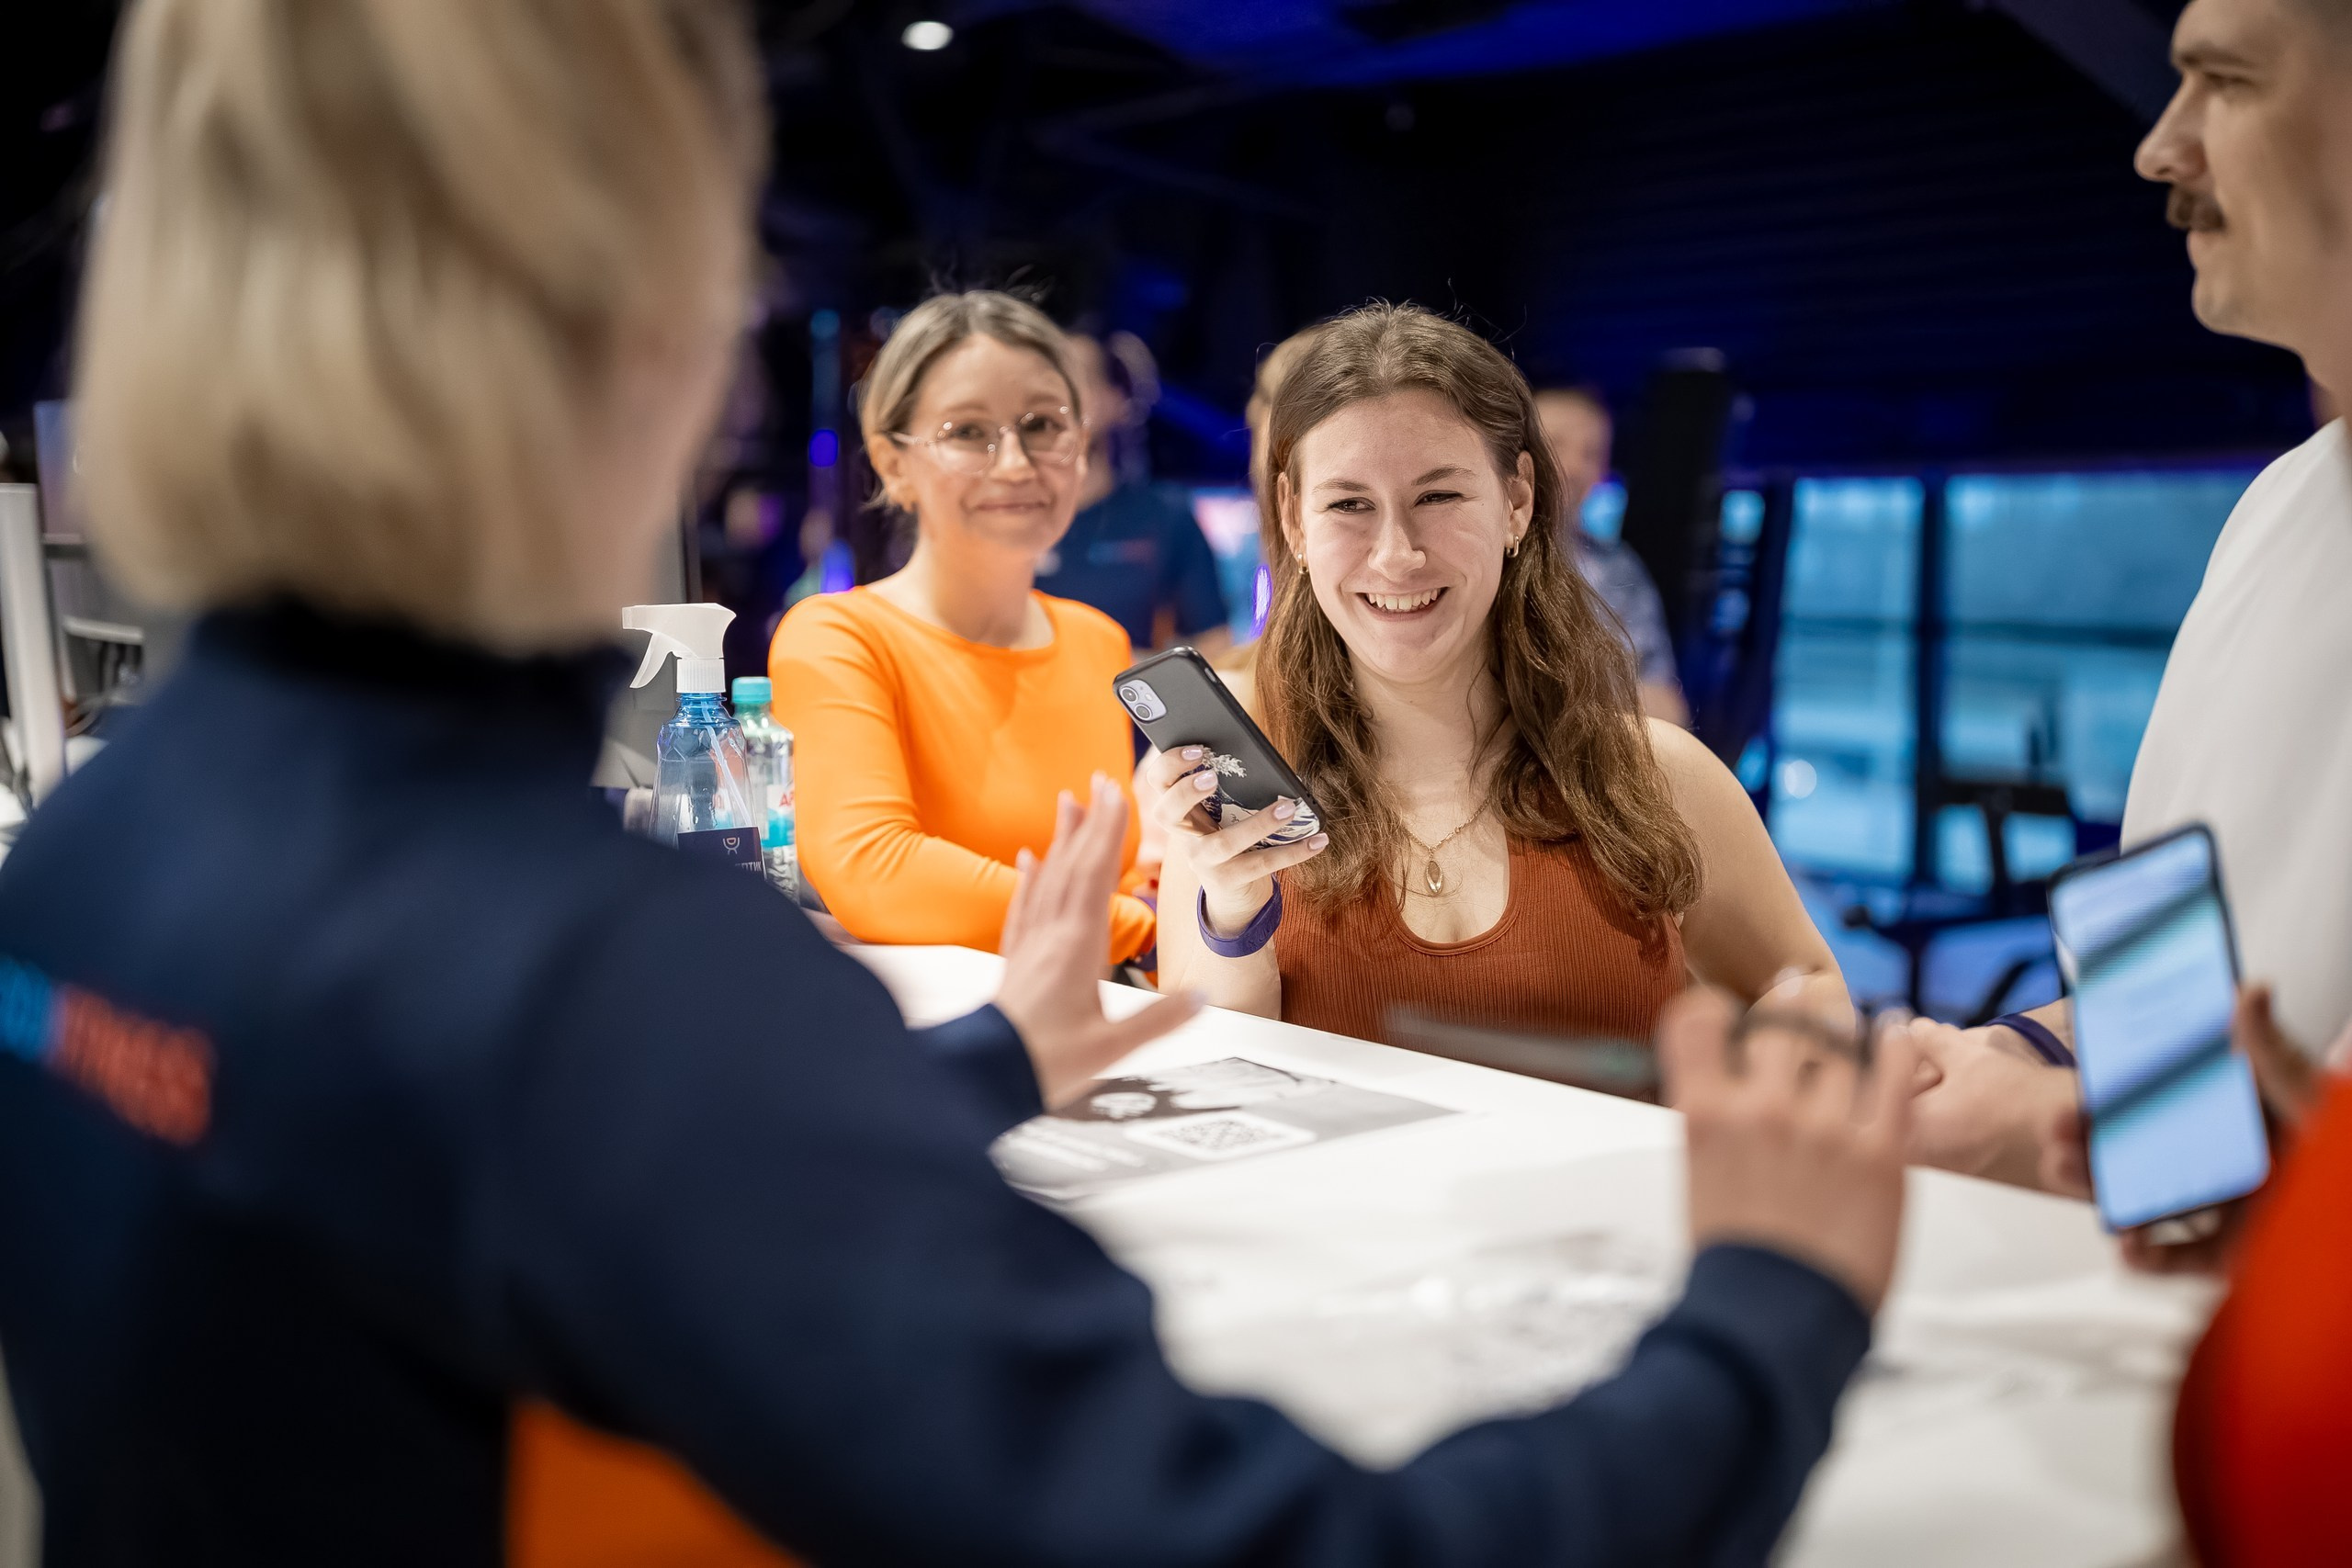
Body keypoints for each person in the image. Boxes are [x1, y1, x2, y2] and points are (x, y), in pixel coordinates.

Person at [0, 8, 1935, 1566]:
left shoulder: (91, 861)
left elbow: (478, 1164)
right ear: (649, 342)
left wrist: (987, 1053)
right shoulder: (606, 983)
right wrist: (1766, 1311)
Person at [1903, 0, 2352, 1195]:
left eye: (2229, 82)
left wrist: (2065, 1124)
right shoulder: (2281, 509)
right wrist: (2011, 1053)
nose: (2161, 144)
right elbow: (2179, 988)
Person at [1147, 304, 1849, 1051]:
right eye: (1350, 504)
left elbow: (1800, 979)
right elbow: (1209, 1066)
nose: (1397, 555)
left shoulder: (1654, 775)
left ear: (1516, 501)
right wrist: (1231, 905)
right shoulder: (1236, 789)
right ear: (1294, 519)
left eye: (1439, 496)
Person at [767, 292, 1155, 963]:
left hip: (1098, 1025)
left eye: (1042, 424)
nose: (1015, 463)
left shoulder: (1098, 640)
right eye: (967, 432)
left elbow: (1114, 870)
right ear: (893, 462)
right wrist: (1145, 932)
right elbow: (877, 872)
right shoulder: (836, 636)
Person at [1031, 333, 1234, 660]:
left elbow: (1216, 648)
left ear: (1117, 399)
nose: (1057, 398)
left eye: (1074, 379)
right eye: (1046, 381)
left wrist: (1113, 669)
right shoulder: (1006, 514)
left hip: (1128, 706)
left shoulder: (1166, 513)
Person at [1536, 386, 1690, 727]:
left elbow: (1666, 708)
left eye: (1591, 453)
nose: (1574, 467)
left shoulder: (1618, 569)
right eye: (1556, 443)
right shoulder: (1476, 551)